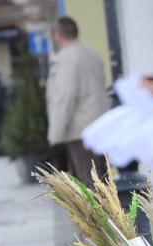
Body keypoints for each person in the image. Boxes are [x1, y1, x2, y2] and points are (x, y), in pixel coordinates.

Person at [46, 16, 110, 186]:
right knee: (102, 180)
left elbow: (64, 97)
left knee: (89, 185)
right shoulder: (91, 52)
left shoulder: (66, 59)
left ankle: (99, 214)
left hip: (80, 131)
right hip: (99, 125)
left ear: (58, 36)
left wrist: (56, 133)